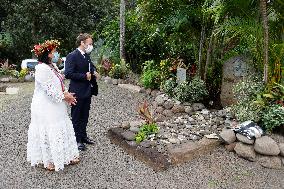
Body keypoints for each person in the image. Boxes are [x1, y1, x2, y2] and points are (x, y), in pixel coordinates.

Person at [27, 40, 80, 171]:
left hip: (57, 104)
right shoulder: (41, 68)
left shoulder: (53, 66)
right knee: (49, 130)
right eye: (54, 51)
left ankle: (66, 155)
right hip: (45, 106)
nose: (56, 53)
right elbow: (50, 90)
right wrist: (64, 96)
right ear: (48, 54)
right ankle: (49, 160)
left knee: (61, 127)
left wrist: (66, 93)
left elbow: (60, 83)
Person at [65, 33, 98, 151]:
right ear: (82, 43)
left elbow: (91, 66)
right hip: (77, 91)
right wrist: (84, 76)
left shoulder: (86, 55)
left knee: (85, 115)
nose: (91, 46)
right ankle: (76, 140)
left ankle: (83, 136)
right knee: (76, 116)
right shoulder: (72, 56)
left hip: (87, 90)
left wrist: (94, 71)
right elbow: (68, 73)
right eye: (89, 43)